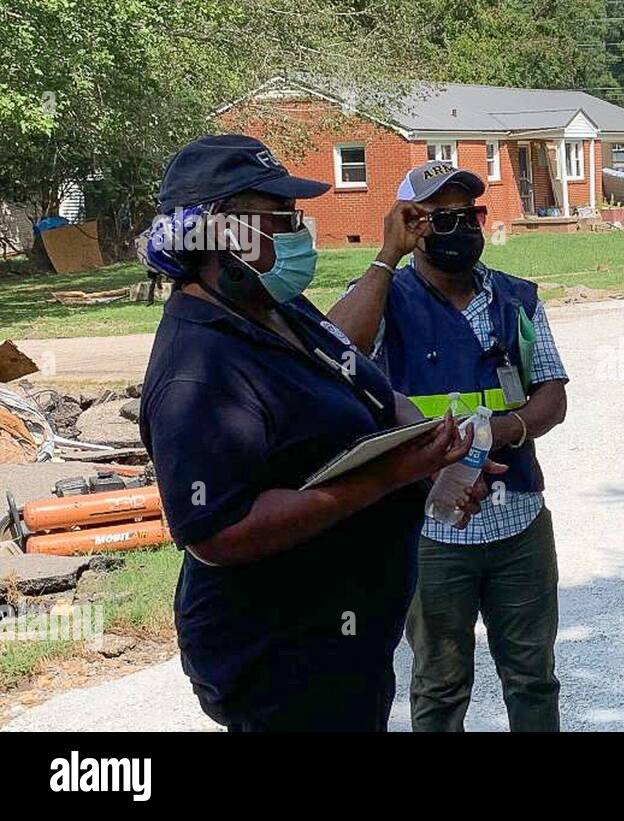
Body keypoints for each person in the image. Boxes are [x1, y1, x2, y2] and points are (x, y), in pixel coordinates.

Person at [137, 135, 493, 732]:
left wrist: (433, 460)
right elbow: (218, 534)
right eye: (280, 219)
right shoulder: (197, 368)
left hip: (347, 637)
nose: (298, 233)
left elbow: (369, 388)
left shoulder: (282, 310)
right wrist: (387, 478)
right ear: (220, 233)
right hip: (281, 655)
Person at [328, 161, 568, 732]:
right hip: (429, 530)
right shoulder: (382, 296)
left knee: (534, 678)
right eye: (442, 218)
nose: (461, 228)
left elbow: (552, 396)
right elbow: (335, 356)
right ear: (410, 223)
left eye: (470, 215)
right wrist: (386, 257)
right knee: (439, 684)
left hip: (519, 520)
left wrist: (510, 428)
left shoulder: (516, 300)